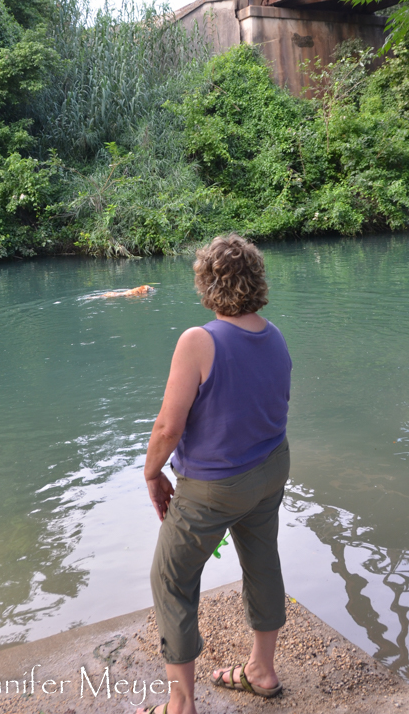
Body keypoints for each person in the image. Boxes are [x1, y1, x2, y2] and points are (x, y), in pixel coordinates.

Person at [140, 234, 292, 714]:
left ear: (206, 283)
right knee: (261, 560)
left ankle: (180, 705)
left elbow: (168, 427)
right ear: (257, 279)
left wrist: (151, 472)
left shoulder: (198, 340)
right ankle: (262, 671)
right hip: (270, 468)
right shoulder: (273, 333)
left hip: (215, 486)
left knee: (171, 579)